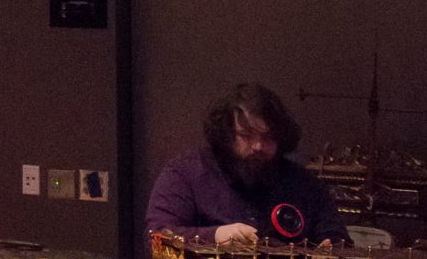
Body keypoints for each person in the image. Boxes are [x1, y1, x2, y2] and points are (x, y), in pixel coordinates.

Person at [145, 82, 348, 247]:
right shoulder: (185, 173)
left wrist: (331, 249)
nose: (258, 146)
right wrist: (215, 235)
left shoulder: (304, 184)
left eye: (268, 137)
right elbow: (156, 237)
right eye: (246, 135)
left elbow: (338, 240)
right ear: (225, 133)